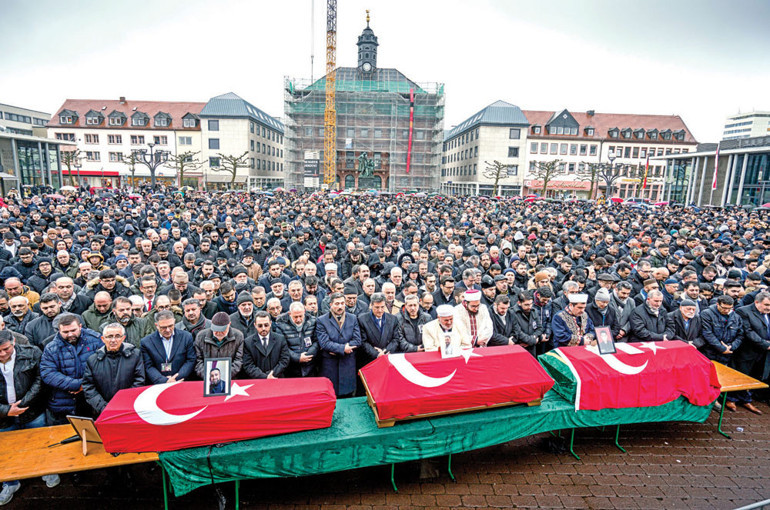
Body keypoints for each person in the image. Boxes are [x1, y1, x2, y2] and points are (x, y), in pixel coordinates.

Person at [0, 330, 60, 504]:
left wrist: (24, 402)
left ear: (13, 342)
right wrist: (5, 410)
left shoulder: (32, 353)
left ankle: (47, 469)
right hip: (3, 417)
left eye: (6, 349)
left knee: (41, 442)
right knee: (7, 450)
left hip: (32, 410)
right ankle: (10, 482)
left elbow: (40, 379)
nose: (2, 354)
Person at [39, 313, 102, 424]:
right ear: (59, 331)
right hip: (63, 402)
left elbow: (103, 367)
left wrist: (85, 385)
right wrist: (76, 385)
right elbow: (48, 373)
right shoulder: (51, 347)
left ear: (80, 326)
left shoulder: (96, 340)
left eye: (73, 330)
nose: (70, 334)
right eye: (65, 332)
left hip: (91, 400)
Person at [82, 323, 144, 416]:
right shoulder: (93, 360)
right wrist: (104, 407)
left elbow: (139, 381)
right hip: (102, 412)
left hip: (128, 409)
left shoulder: (135, 355)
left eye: (117, 336)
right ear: (103, 339)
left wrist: (122, 404)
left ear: (123, 338)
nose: (113, 340)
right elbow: (89, 386)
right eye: (109, 336)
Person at [315, 292, 361, 397]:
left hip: (347, 363)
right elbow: (324, 343)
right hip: (330, 365)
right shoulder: (322, 320)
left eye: (342, 303)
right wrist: (343, 348)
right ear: (331, 304)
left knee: (348, 395)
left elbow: (357, 340)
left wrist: (340, 349)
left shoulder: (353, 318)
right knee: (331, 394)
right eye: (337, 304)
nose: (340, 306)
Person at [732, 292, 770, 415]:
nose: (769, 308)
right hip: (747, 351)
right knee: (740, 375)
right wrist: (765, 344)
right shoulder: (743, 311)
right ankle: (731, 399)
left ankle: (745, 399)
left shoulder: (767, 312)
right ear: (756, 302)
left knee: (755, 375)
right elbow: (748, 332)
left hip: (762, 353)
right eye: (766, 305)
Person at [141, 310, 196, 384]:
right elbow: (148, 366)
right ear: (156, 325)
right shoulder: (146, 342)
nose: (167, 330)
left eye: (170, 326)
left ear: (174, 322)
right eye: (163, 327)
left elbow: (190, 360)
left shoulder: (186, 337)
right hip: (159, 385)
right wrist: (164, 380)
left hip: (182, 382)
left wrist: (176, 378)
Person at [194, 311, 244, 380]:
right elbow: (198, 361)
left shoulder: (238, 336)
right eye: (216, 329)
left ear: (229, 324)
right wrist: (208, 376)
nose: (219, 332)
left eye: (222, 330)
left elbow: (238, 361)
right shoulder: (201, 336)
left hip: (231, 378)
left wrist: (224, 376)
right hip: (206, 378)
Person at [274, 302, 318, 377]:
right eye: (295, 317)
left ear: (304, 312)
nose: (298, 319)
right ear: (290, 314)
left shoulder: (313, 321)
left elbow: (316, 341)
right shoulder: (281, 325)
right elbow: (282, 346)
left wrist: (308, 354)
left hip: (310, 364)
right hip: (291, 366)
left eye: (300, 316)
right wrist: (297, 357)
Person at [242, 311, 290, 379]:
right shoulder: (248, 342)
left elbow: (284, 360)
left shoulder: (280, 339)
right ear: (255, 325)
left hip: (277, 378)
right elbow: (248, 365)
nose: (263, 328)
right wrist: (264, 377)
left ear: (270, 323)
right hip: (257, 380)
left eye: (266, 325)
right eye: (260, 326)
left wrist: (272, 374)